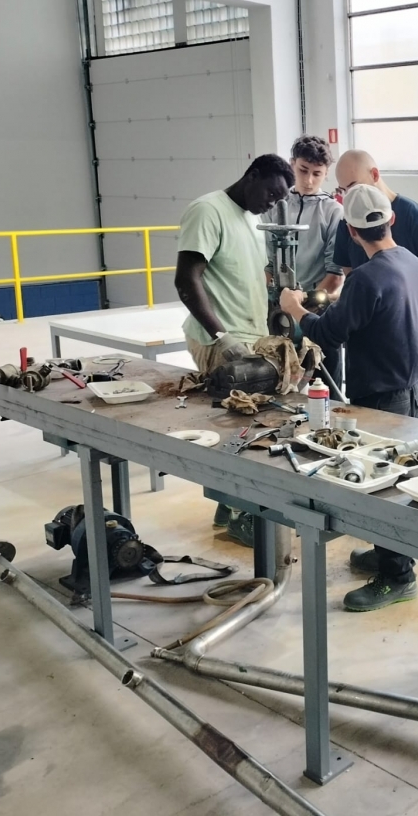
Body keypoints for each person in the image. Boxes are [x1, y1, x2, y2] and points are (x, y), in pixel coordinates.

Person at [280, 184, 418, 612]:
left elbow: (329, 333)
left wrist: (294, 308)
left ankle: (397, 577)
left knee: (380, 487)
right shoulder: (411, 262)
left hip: (381, 396)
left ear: (349, 229)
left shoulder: (365, 277)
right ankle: (389, 555)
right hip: (413, 388)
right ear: (391, 220)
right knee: (397, 480)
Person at [174, 154, 294, 545]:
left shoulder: (249, 219)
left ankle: (229, 506)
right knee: (238, 428)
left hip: (249, 338)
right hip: (220, 341)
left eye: (279, 199)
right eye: (271, 193)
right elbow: (186, 279)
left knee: (248, 429)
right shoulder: (208, 211)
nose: (272, 203)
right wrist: (221, 336)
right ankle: (242, 514)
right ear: (252, 176)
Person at [332, 149, 418, 417]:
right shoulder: (347, 222)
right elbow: (352, 278)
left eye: (353, 185)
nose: (349, 195)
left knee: (409, 413)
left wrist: (395, 308)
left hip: (410, 336)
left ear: (374, 174)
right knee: (368, 418)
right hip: (368, 346)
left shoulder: (417, 219)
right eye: (343, 190)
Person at [270, 135, 346, 393]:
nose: (309, 180)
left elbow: (335, 273)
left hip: (318, 311)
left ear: (326, 173)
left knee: (325, 387)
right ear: (292, 164)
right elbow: (267, 261)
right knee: (279, 382)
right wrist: (279, 302)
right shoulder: (275, 206)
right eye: (303, 170)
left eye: (317, 173)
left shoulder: (333, 212)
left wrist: (302, 307)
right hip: (278, 309)